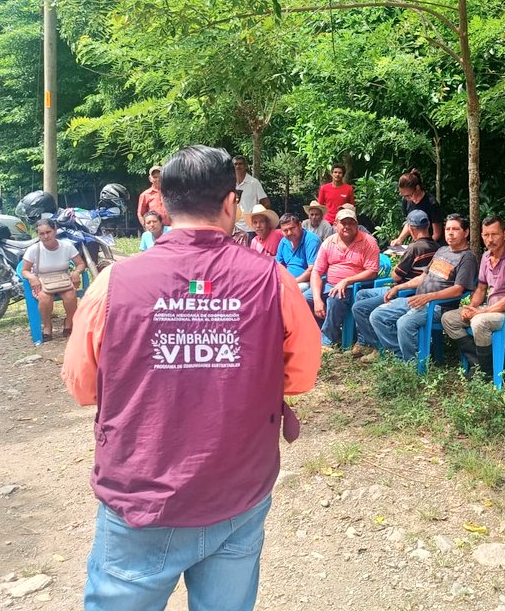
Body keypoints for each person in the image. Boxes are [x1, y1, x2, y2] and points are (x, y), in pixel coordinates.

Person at [61, 145, 321, 611]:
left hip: (141, 498)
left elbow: (82, 387)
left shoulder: (114, 283)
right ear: (230, 205)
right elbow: (301, 375)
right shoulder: (272, 280)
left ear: (161, 204)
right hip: (238, 491)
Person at [367, 214, 479, 363]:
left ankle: (413, 365)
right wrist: (400, 287)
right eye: (447, 229)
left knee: (405, 323)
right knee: (378, 315)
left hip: (439, 306)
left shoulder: (467, 257)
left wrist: (429, 297)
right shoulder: (442, 250)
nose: (450, 233)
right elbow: (423, 277)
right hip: (418, 300)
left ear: (465, 233)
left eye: (455, 229)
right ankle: (401, 358)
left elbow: (458, 290)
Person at [441, 215, 505, 380]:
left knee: (479, 322)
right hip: (491, 311)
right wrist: (472, 307)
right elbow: (481, 288)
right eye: (486, 235)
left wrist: (480, 313)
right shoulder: (486, 257)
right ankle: (478, 361)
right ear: (481, 236)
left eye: (494, 234)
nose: (490, 239)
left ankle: (486, 373)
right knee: (449, 318)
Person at [350, 210, 439, 359]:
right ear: (428, 225)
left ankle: (378, 347)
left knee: (359, 308)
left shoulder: (414, 248)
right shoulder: (436, 247)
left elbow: (396, 276)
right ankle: (363, 341)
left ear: (411, 228)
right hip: (407, 288)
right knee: (361, 294)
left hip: (404, 291)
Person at [309, 206, 380, 347]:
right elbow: (316, 271)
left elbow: (372, 271)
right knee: (305, 298)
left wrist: (347, 281)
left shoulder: (368, 241)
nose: (347, 226)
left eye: (351, 223)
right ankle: (320, 332)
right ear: (335, 225)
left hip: (354, 286)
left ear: (356, 224)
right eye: (344, 223)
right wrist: (317, 299)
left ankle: (328, 341)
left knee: (335, 299)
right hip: (329, 284)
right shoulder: (329, 242)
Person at [21, 218, 86, 341]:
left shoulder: (67, 246)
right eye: (42, 233)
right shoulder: (34, 249)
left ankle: (69, 322)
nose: (46, 236)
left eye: (48, 232)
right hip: (43, 280)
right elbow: (24, 270)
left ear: (55, 231)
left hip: (63, 279)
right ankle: (47, 325)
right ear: (38, 235)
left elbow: (80, 264)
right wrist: (32, 277)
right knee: (45, 298)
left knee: (70, 295)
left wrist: (76, 272)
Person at [390, 169, 444, 244]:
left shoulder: (431, 203)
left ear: (417, 188)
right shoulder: (406, 201)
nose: (407, 198)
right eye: (404, 196)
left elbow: (437, 234)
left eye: (409, 195)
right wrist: (399, 239)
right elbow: (409, 223)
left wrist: (424, 246)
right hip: (418, 243)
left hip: (434, 245)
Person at [276, 212, 322, 291]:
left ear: (300, 225)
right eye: (285, 230)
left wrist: (292, 282)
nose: (289, 233)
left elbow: (312, 270)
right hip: (287, 281)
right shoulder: (284, 242)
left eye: (292, 228)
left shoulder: (311, 240)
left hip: (308, 282)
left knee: (289, 291)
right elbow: (278, 266)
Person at [234, 155, 270, 233]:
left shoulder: (253, 183)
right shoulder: (229, 183)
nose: (238, 166)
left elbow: (266, 203)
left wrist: (256, 217)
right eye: (235, 164)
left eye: (240, 164)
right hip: (234, 228)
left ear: (245, 166)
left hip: (250, 228)